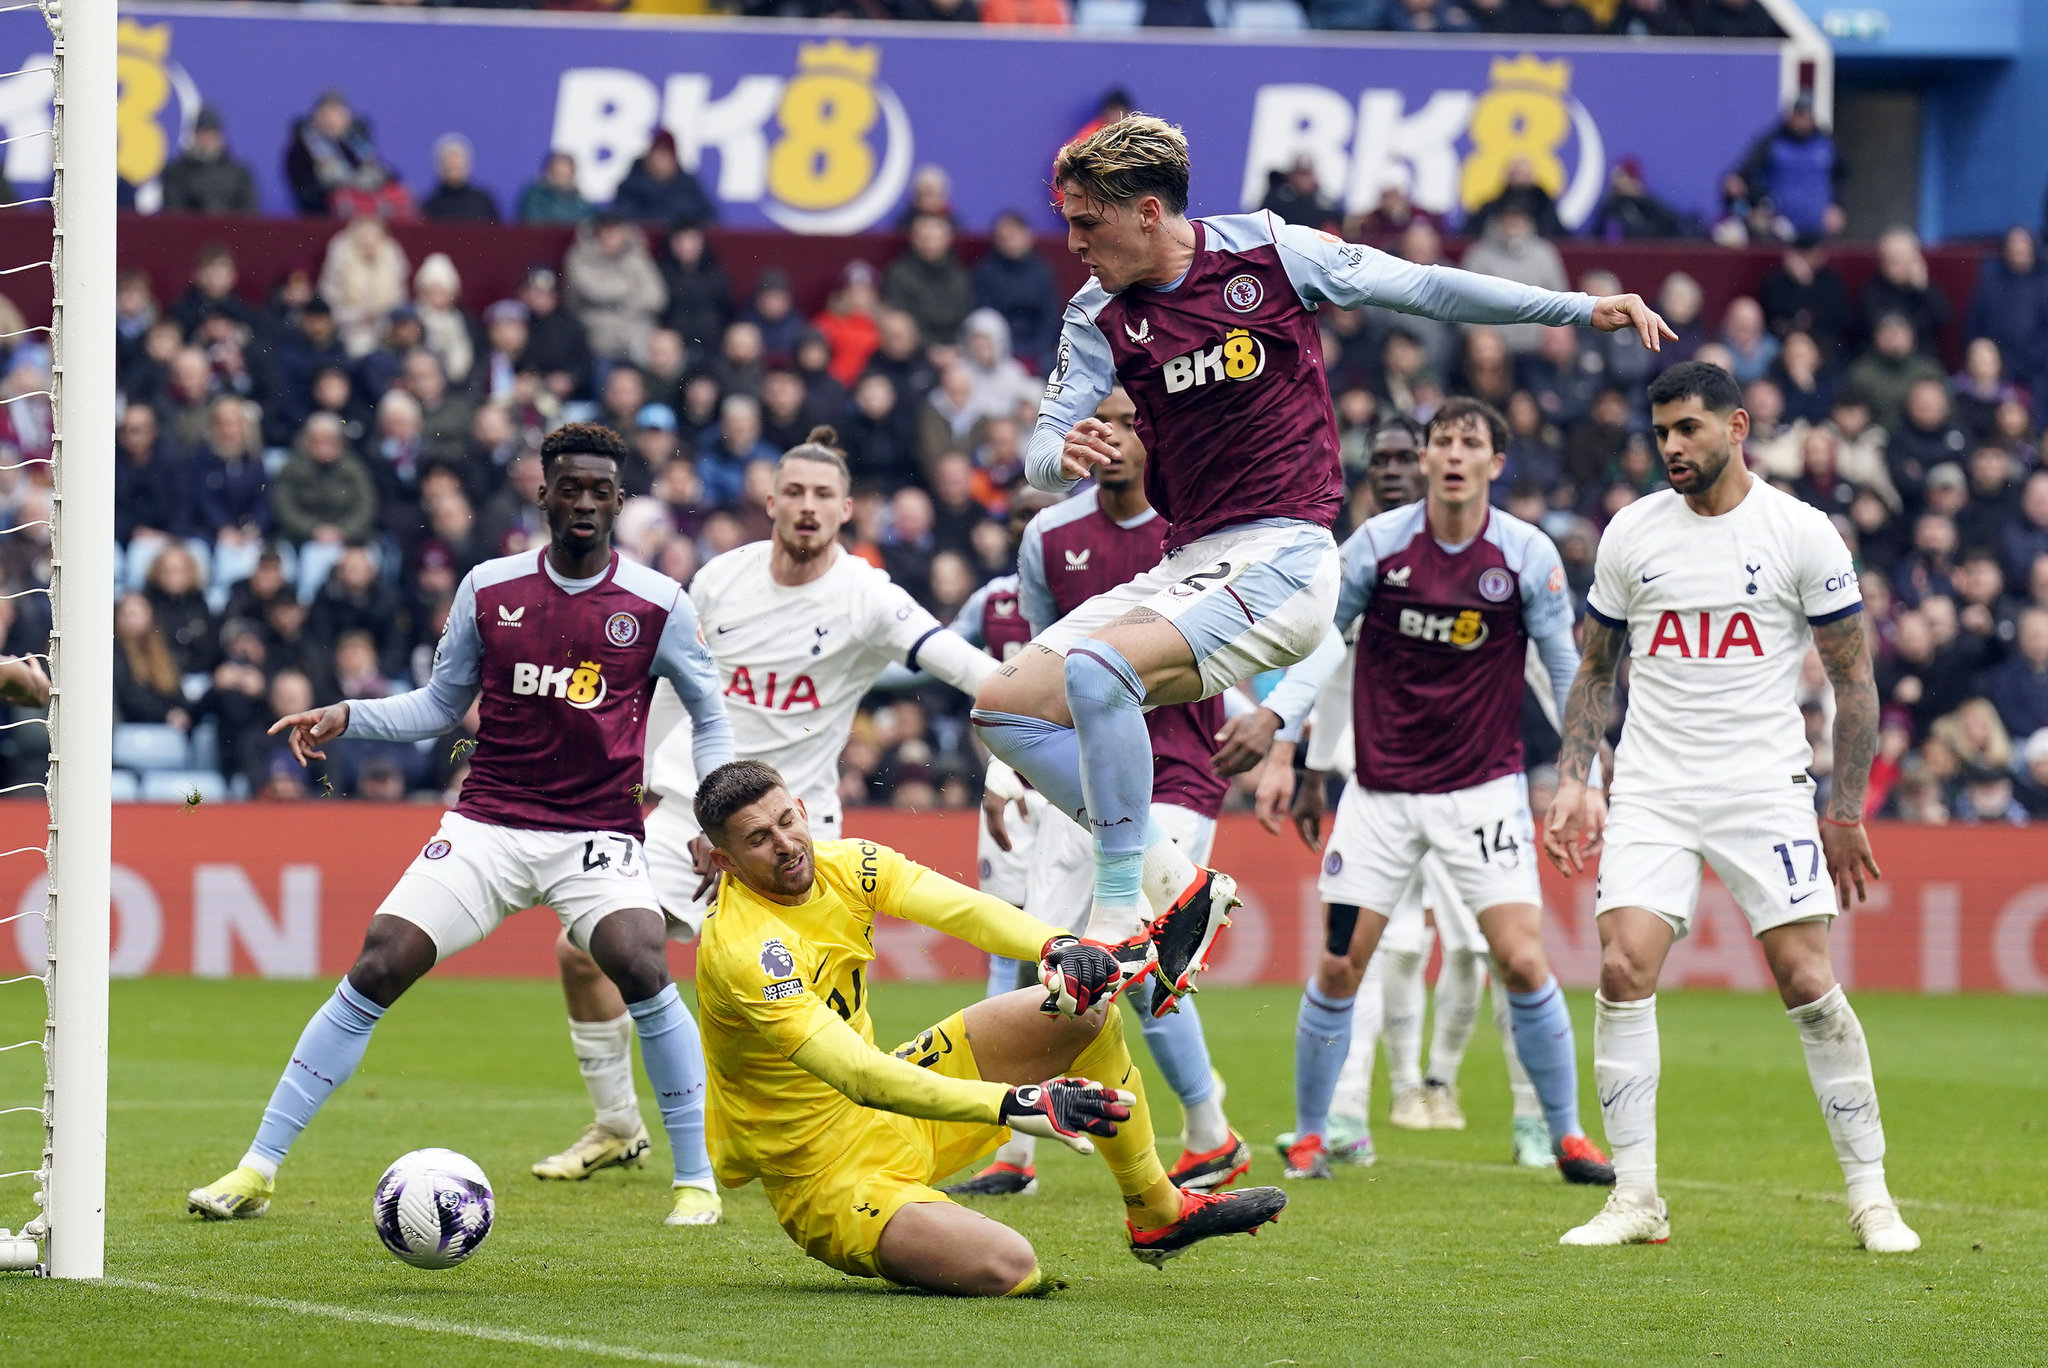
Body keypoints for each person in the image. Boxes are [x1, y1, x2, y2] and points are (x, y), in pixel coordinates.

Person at [969, 114, 1669, 1002]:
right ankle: (1173, 883)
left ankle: (1120, 910)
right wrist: (1058, 453)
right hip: (1190, 565)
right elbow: (1039, 446)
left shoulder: (1270, 253)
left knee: (1101, 676)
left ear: (1147, 212)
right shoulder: (1097, 314)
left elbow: (1423, 287)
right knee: (1000, 710)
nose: (1071, 245)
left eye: (1086, 223)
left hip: (1287, 555)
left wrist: (1578, 309)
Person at [186, 424, 736, 1229]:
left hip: (597, 836)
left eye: (600, 490)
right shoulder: (489, 587)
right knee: (379, 961)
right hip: (488, 823)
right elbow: (438, 707)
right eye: (569, 487)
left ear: (619, 501)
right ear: (542, 494)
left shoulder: (658, 604)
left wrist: (715, 811)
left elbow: (710, 718)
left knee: (640, 963)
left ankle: (695, 1182)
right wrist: (349, 715)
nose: (584, 501)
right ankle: (256, 1169)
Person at [530, 431, 1010, 1188]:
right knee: (582, 951)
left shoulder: (868, 596)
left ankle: (862, 1141)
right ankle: (618, 1124)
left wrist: (1025, 721)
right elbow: (672, 683)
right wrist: (635, 790)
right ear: (771, 502)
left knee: (808, 1015)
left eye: (825, 495)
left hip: (792, 833)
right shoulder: (722, 578)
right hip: (690, 808)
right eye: (796, 492)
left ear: (847, 509)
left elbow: (969, 670)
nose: (809, 506)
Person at [1541, 361, 1917, 1253]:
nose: (1670, 446)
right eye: (1661, 431)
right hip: (1655, 789)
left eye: (1688, 430)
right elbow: (1595, 674)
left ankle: (1872, 1196)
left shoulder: (1799, 531)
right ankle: (1636, 1199)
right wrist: (1572, 779)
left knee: (1805, 982)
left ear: (1736, 426)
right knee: (1623, 966)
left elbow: (1853, 680)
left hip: (1763, 787)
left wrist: (1846, 807)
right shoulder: (1632, 533)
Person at [690, 758, 1285, 1292]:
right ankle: (912, 1214)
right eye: (759, 839)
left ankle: (1158, 1211)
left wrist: (1055, 944)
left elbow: (962, 910)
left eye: (788, 820)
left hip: (894, 1112)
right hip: (823, 1176)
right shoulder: (745, 950)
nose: (787, 844)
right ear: (725, 861)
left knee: (1081, 1013)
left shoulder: (849, 864)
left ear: (800, 806)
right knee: (1010, 1267)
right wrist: (1019, 1102)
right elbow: (857, 1075)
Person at [1236, 399, 1611, 1184]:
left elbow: (1569, 671)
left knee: (1520, 958)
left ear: (1493, 463)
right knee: (1341, 966)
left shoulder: (1525, 554)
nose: (1451, 454)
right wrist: (1277, 728)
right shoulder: (1375, 548)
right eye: (1443, 441)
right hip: (1379, 799)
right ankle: (1309, 1134)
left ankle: (1568, 1133)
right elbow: (1318, 651)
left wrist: (1582, 774)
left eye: (1469, 443)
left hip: (1483, 796)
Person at [948, 387, 1252, 1199]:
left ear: (1155, 432)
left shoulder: (1200, 529)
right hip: (1077, 783)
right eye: (1101, 423)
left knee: (1137, 965)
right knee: (1048, 949)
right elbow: (1035, 666)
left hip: (1180, 772)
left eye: (1129, 422)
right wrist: (1006, 769)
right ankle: (1023, 1151)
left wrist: (1279, 728)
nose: (1114, 437)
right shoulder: (1049, 536)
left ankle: (1205, 1129)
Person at [1730, 94, 1845, 242]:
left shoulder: (1827, 143)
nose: (1802, 120)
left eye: (1806, 115)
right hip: (1781, 228)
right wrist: (1756, 205)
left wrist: (1838, 206)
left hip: (1819, 227)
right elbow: (1745, 173)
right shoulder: (1771, 142)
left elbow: (1842, 177)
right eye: (1798, 114)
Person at [159, 106, 257, 216]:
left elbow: (249, 213)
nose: (207, 138)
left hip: (230, 232)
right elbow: (174, 212)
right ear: (195, 135)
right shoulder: (176, 172)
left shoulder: (239, 174)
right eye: (203, 132)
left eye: (212, 133)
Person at [419, 134, 499, 223]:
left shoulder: (484, 202)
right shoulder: (429, 206)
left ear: (468, 164)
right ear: (438, 166)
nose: (453, 162)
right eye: (449, 164)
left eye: (458, 165)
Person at [517, 151, 593, 226]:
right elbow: (534, 222)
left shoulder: (582, 204)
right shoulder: (536, 198)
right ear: (549, 173)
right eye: (559, 174)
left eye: (565, 175)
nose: (562, 179)